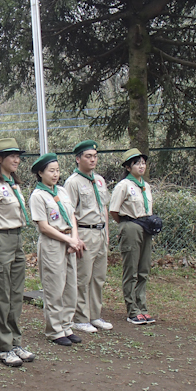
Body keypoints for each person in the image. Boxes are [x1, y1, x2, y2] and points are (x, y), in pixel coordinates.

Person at [0, 138, 35, 367]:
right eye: (11, 155)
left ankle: (15, 342)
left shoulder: (14, 185)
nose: (16, 159)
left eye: (18, 155)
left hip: (16, 238)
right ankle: (3, 347)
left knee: (16, 295)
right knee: (2, 297)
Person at [29, 153, 84, 346]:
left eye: (57, 170)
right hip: (52, 242)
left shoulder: (62, 190)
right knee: (55, 286)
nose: (55, 174)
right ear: (40, 172)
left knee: (70, 285)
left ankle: (67, 326)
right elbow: (43, 226)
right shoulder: (38, 195)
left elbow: (73, 217)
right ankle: (55, 330)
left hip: (69, 239)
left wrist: (74, 239)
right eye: (51, 171)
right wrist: (67, 239)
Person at [64, 140, 113, 333]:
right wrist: (76, 238)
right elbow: (70, 213)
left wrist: (107, 233)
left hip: (100, 232)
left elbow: (104, 208)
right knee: (82, 277)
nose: (93, 160)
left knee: (98, 277)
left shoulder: (99, 180)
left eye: (95, 156)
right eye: (88, 156)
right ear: (78, 159)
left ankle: (95, 315)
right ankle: (80, 317)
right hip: (85, 231)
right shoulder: (73, 182)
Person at [109, 148, 156, 325]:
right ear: (128, 167)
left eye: (143, 163)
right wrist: (125, 224)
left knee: (144, 269)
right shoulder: (123, 186)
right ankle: (132, 310)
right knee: (131, 269)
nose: (141, 166)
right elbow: (114, 210)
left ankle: (142, 307)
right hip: (130, 226)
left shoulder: (145, 185)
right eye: (137, 163)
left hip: (146, 226)